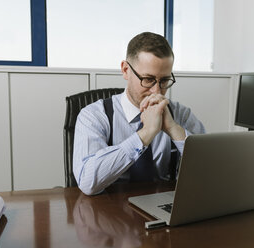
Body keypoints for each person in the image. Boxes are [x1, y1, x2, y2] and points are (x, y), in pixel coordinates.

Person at [73, 32, 205, 195]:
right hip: (109, 210)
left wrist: (173, 130)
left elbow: (212, 175)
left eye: (164, 81)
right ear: (126, 70)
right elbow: (87, 183)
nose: (157, 91)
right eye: (148, 79)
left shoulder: (180, 114)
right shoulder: (93, 116)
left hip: (162, 208)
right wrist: (145, 134)